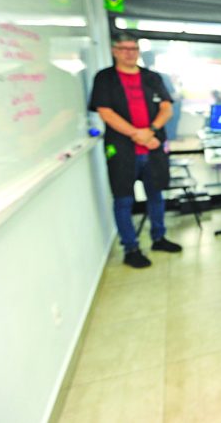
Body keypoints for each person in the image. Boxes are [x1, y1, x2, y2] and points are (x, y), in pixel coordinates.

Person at [88, 33, 182, 268]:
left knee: (156, 196)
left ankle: (158, 238)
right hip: (122, 150)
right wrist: (136, 134)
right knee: (123, 200)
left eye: (134, 48)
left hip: (152, 147)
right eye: (124, 48)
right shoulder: (105, 78)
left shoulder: (152, 78)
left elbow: (166, 108)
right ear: (115, 51)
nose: (130, 53)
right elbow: (106, 113)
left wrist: (149, 131)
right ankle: (131, 247)